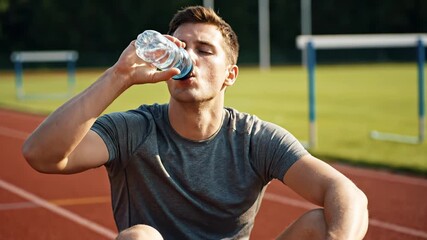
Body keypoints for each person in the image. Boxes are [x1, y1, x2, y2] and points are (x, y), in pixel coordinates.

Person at [22, 5, 368, 240]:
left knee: (324, 222)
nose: (189, 57)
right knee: (140, 236)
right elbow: (42, 155)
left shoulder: (253, 138)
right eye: (180, 46)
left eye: (204, 50)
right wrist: (119, 75)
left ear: (229, 75)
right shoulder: (135, 129)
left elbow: (347, 194)